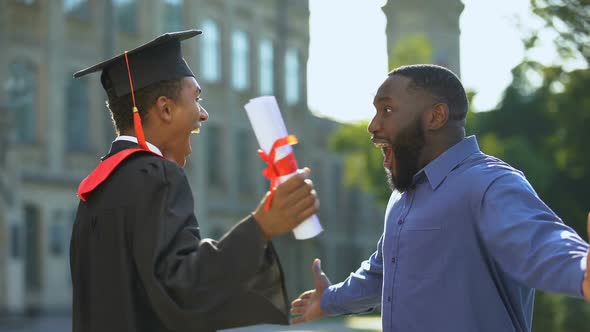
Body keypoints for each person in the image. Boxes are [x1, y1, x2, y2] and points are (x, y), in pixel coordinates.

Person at [290, 64, 590, 331]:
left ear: (435, 116)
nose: (373, 126)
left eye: (387, 110)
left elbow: (539, 240)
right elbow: (382, 273)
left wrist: (580, 269)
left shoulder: (489, 183)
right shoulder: (402, 198)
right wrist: (329, 300)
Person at [69, 29, 319, 332]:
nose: (204, 114)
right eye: (196, 98)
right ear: (165, 109)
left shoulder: (97, 188)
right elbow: (183, 291)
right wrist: (262, 226)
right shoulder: (156, 175)